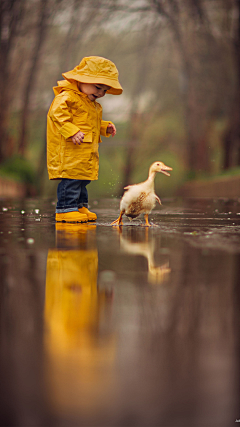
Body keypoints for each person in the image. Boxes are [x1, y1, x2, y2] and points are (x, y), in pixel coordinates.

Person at [47, 56, 123, 223]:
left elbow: (90, 123)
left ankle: (80, 206)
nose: (101, 93)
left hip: (84, 151)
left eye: (105, 90)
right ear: (81, 79)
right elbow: (56, 114)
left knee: (82, 180)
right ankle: (65, 209)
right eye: (98, 87)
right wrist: (72, 131)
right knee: (72, 179)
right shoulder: (67, 97)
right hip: (69, 151)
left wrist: (104, 127)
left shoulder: (91, 103)